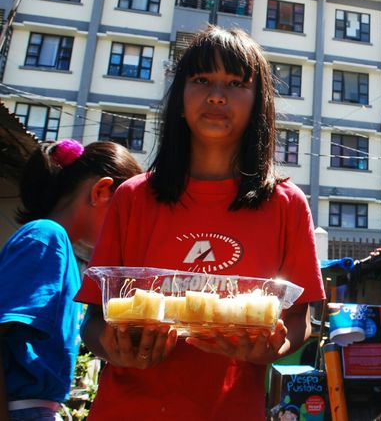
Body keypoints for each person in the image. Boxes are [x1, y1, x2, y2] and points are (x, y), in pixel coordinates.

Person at [76, 26, 326, 420]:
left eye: (236, 83)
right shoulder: (133, 198)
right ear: (180, 98)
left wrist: (272, 347)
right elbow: (93, 320)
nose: (216, 94)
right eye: (202, 80)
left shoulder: (286, 205)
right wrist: (115, 347)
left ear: (259, 102)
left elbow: (298, 320)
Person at [0, 140, 142, 421]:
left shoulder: (63, 250)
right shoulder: (45, 237)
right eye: (126, 214)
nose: (127, 229)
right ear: (101, 191)